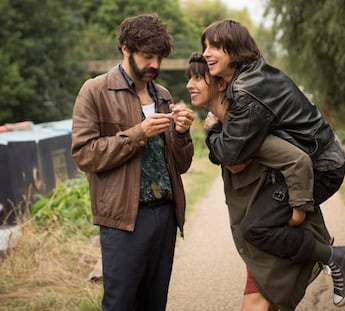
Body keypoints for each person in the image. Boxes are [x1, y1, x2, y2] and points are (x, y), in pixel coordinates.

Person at [199, 19, 345, 308]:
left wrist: (211, 130)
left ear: (234, 50)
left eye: (216, 47)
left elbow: (231, 154)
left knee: (256, 228)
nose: (207, 53)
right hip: (319, 157)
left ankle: (334, 257)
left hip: (322, 166)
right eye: (205, 46)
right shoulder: (252, 76)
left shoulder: (246, 93)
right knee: (264, 221)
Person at [186, 52, 330, 311]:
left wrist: (298, 212)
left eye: (198, 78)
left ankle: (330, 256)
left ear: (220, 84)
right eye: (189, 78)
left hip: (264, 227)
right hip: (257, 229)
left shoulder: (243, 128)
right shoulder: (228, 126)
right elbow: (235, 163)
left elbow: (296, 162)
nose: (189, 85)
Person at [71, 13, 194, 311]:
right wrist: (138, 133)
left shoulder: (162, 94)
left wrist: (182, 133)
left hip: (165, 215)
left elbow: (182, 164)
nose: (155, 65)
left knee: (155, 302)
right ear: (126, 48)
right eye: (148, 56)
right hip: (123, 219)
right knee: (120, 303)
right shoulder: (95, 90)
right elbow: (84, 154)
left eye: (159, 58)